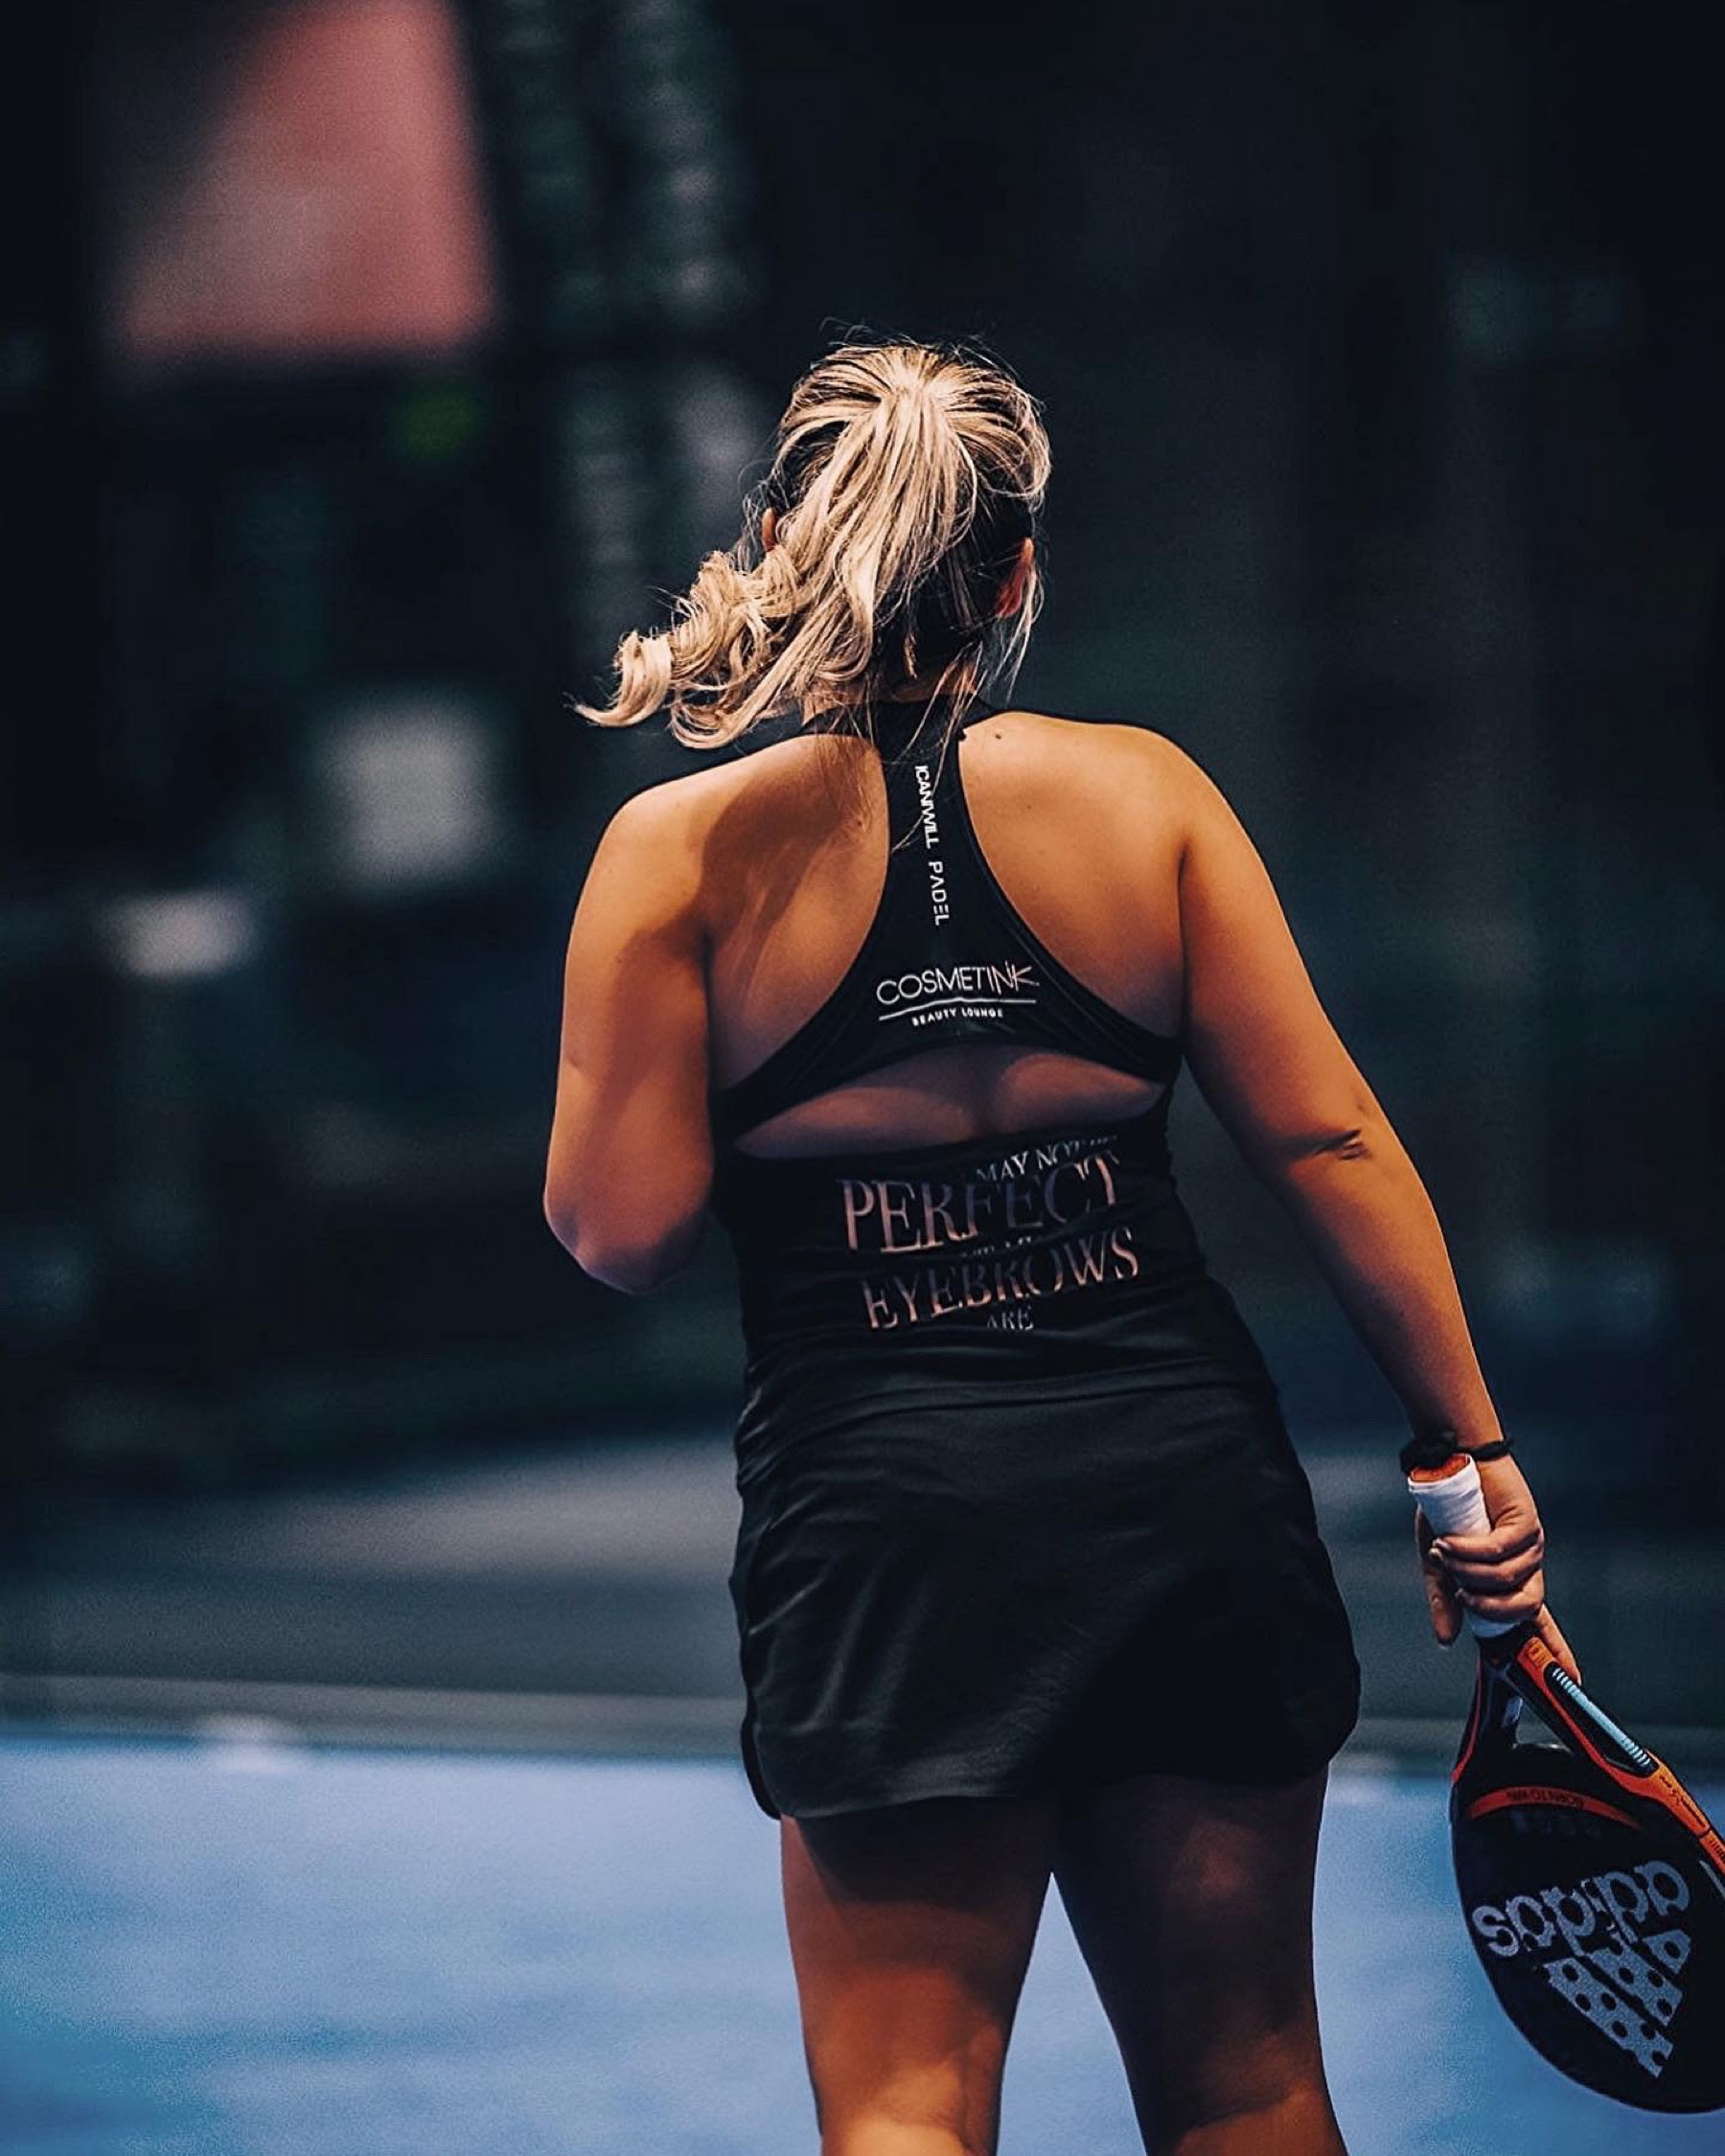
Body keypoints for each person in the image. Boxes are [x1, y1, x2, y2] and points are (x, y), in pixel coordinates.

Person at [542, 333, 1582, 2156]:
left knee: (905, 2108)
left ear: (783, 546)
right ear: (1017, 575)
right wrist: (1469, 1450)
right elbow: (1331, 1141)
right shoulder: (1145, 797)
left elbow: (618, 1234)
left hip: (891, 1539)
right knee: (1248, 2084)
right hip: (1180, 1499)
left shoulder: (677, 854)